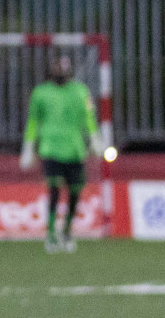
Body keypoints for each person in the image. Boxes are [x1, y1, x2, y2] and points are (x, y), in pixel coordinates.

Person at [20, 53, 104, 254]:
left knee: (75, 191)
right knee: (54, 190)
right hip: (50, 148)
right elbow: (33, 121)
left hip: (75, 149)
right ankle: (50, 233)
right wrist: (28, 147)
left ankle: (66, 230)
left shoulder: (80, 91)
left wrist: (95, 139)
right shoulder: (40, 93)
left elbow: (89, 117)